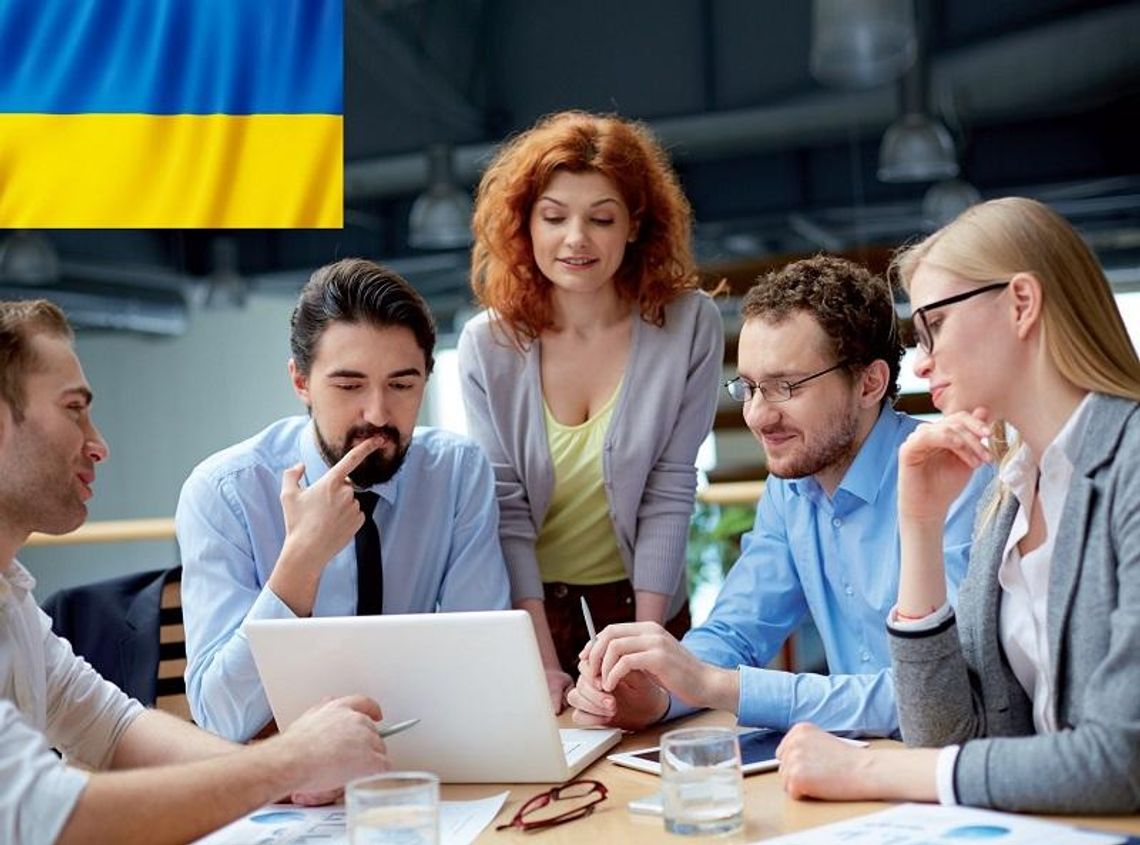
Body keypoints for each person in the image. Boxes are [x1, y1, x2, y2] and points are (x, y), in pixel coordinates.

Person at [776, 198, 1140, 814]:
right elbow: (946, 736)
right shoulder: (1009, 496)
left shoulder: (1129, 463)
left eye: (934, 326)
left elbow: (1122, 760)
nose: (920, 361)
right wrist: (917, 524)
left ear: (1021, 304)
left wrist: (867, 770)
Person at [0, 299, 389, 845]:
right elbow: (51, 816)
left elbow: (114, 730)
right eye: (73, 409)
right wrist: (290, 761)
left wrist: (292, 776)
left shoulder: (11, 598)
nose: (100, 444)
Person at [571, 255, 992, 735]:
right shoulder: (790, 489)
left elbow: (938, 692)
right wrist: (658, 694)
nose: (756, 415)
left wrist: (715, 685)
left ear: (869, 383)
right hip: (853, 767)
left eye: (784, 387)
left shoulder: (958, 477)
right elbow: (735, 631)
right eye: (748, 388)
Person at [457, 110, 724, 711]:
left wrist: (647, 648)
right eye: (553, 217)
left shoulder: (687, 324)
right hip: (534, 613)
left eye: (601, 218)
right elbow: (507, 513)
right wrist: (542, 662)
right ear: (524, 225)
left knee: (653, 764)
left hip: (645, 605)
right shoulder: (487, 345)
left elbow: (670, 487)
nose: (576, 239)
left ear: (634, 225)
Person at [178, 258, 510, 741]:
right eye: (349, 385)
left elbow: (485, 663)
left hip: (428, 756)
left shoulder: (456, 473)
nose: (377, 413)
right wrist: (302, 560)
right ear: (300, 382)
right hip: (285, 775)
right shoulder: (224, 492)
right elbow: (222, 718)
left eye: (401, 384)